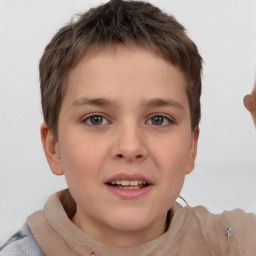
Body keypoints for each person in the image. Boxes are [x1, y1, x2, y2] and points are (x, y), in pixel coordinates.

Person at [0, 0, 255, 255]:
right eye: (96, 119)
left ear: (191, 147)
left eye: (158, 119)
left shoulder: (234, 242)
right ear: (54, 148)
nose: (130, 147)